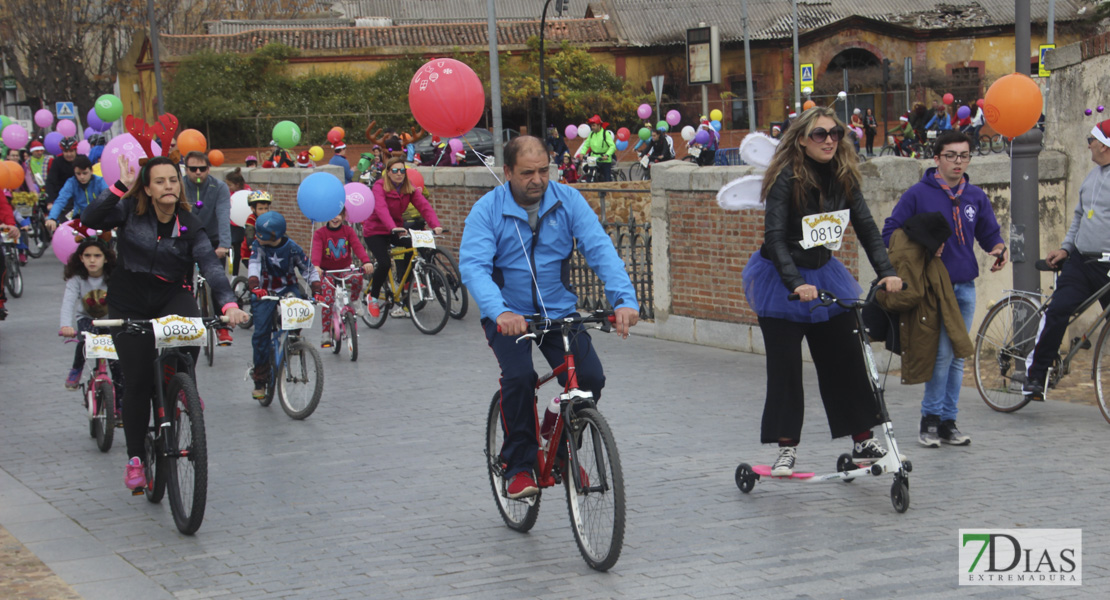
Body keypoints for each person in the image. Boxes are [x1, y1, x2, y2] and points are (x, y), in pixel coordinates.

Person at [459, 135, 639, 499]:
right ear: (507, 172)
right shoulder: (487, 210)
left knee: (589, 378)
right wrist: (500, 312)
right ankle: (519, 466)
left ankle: (561, 450)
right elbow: (474, 268)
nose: (537, 180)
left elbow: (600, 249)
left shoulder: (567, 200)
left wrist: (624, 300)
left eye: (544, 170)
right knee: (520, 377)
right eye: (527, 173)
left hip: (559, 312)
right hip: (509, 315)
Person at [740, 107, 903, 477]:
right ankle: (786, 449)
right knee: (785, 368)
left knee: (846, 358)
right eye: (819, 134)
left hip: (825, 276)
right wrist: (795, 283)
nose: (829, 139)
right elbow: (775, 238)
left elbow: (867, 229)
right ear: (801, 139)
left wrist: (887, 272)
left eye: (835, 133)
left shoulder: (844, 179)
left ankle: (862, 440)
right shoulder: (785, 179)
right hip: (782, 281)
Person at [82, 154, 249, 490]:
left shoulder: (189, 223)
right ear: (147, 187)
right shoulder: (129, 211)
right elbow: (91, 217)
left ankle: (182, 384)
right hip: (127, 300)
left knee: (194, 326)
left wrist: (229, 303)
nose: (168, 185)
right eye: (159, 181)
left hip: (169, 295)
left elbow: (210, 266)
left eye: (173, 179)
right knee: (139, 380)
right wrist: (119, 187)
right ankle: (135, 460)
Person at [882, 131, 1006, 446]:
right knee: (942, 353)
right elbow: (891, 232)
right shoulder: (918, 194)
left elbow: (988, 231)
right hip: (933, 287)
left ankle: (949, 422)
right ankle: (930, 420)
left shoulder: (975, 195)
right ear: (936, 158)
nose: (957, 162)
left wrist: (998, 248)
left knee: (958, 355)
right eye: (950, 155)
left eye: (963, 155)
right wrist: (923, 244)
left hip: (964, 286)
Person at [1023, 119, 1110, 400]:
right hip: (1080, 262)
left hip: (1108, 266)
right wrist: (1065, 248)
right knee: (1059, 311)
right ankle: (1036, 376)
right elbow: (1078, 217)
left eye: (1092, 139)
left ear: (1105, 145)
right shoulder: (1092, 176)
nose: (1088, 144)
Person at [245, 211, 322, 399]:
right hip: (264, 291)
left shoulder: (293, 248)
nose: (257, 238)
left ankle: (293, 341)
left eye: (261, 234)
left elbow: (308, 270)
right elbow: (253, 265)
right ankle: (260, 379)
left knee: (300, 311)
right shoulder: (258, 247)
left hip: (287, 288)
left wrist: (316, 289)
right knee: (261, 333)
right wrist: (254, 286)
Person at [361, 157, 442, 319]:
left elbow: (423, 205)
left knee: (415, 248)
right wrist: (392, 227)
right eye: (395, 171)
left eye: (402, 171)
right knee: (384, 263)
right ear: (388, 172)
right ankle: (373, 297)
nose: (399, 174)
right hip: (376, 230)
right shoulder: (379, 186)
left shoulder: (408, 187)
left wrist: (435, 224)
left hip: (395, 229)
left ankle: (405, 290)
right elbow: (381, 209)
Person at [182, 151, 233, 345]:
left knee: (217, 282)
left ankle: (223, 326)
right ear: (185, 170)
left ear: (208, 169)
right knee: (183, 284)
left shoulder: (219, 187)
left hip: (212, 240)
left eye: (202, 169)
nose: (197, 172)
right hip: (186, 239)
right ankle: (186, 323)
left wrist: (224, 245)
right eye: (192, 169)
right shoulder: (179, 186)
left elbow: (223, 215)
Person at [59, 237, 122, 393]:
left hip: (110, 321)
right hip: (88, 319)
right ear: (81, 258)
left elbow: (125, 298)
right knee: (85, 340)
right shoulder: (77, 279)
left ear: (106, 258)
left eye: (97, 256)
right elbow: (68, 301)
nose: (92, 260)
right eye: (87, 256)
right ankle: (76, 369)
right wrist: (66, 325)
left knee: (117, 364)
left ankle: (120, 405)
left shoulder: (114, 277)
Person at [311, 209, 373, 348]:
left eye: (339, 215)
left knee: (357, 277)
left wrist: (366, 261)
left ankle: (355, 300)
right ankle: (326, 332)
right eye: (332, 215)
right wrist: (316, 266)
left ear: (344, 216)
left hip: (344, 269)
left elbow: (357, 246)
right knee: (327, 300)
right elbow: (316, 250)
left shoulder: (348, 231)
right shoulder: (320, 234)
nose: (335, 218)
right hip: (327, 273)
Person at [45, 156, 107, 232]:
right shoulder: (71, 182)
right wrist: (52, 218)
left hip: (99, 217)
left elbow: (109, 198)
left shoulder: (99, 181)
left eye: (85, 173)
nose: (82, 177)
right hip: (80, 218)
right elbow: (61, 200)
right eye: (78, 173)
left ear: (91, 171)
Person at [573, 115, 616, 182]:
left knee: (607, 179)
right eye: (591, 126)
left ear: (599, 125)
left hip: (604, 159)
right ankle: (589, 187)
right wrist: (582, 153)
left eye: (594, 125)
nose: (592, 127)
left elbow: (612, 146)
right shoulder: (591, 134)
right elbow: (586, 145)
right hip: (593, 158)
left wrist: (607, 155)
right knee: (589, 175)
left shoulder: (605, 134)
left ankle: (608, 190)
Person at [225, 168, 250, 276]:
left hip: (245, 225)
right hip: (233, 225)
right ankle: (234, 276)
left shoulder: (247, 192)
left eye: (230, 185)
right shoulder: (229, 193)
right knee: (234, 253)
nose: (228, 187)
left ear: (237, 184)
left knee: (243, 253)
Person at [44, 137, 79, 210]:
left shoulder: (82, 160)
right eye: (66, 151)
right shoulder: (57, 162)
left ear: (76, 150)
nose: (69, 154)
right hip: (63, 199)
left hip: (80, 197)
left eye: (71, 151)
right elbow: (50, 181)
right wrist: (50, 201)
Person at [239, 190, 271, 271]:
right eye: (260, 209)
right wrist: (250, 244)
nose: (264, 212)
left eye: (266, 208)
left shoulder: (269, 218)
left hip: (265, 250)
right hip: (249, 253)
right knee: (257, 273)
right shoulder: (251, 219)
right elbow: (249, 232)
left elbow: (278, 230)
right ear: (253, 208)